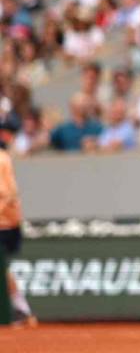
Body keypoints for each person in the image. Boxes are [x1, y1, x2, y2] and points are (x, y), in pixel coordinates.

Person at [0, 124, 37, 327]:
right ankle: (21, 309)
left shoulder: (1, 159)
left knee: (2, 267)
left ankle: (21, 309)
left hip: (5, 223)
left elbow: (7, 194)